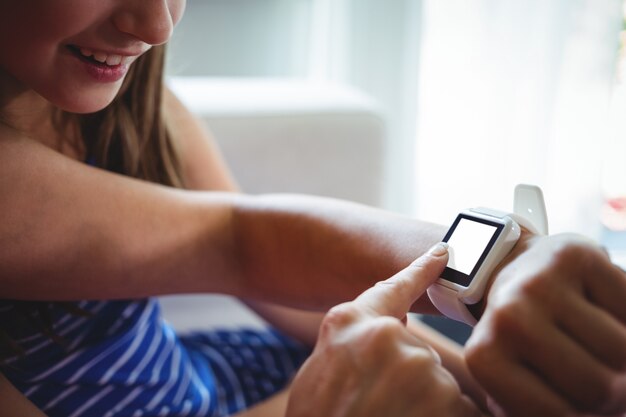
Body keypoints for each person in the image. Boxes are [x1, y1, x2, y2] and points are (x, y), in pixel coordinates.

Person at [0, 1, 625, 416]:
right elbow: (238, 241)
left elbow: (250, 246)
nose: (158, 23)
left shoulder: (142, 107)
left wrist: (497, 279)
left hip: (212, 375)